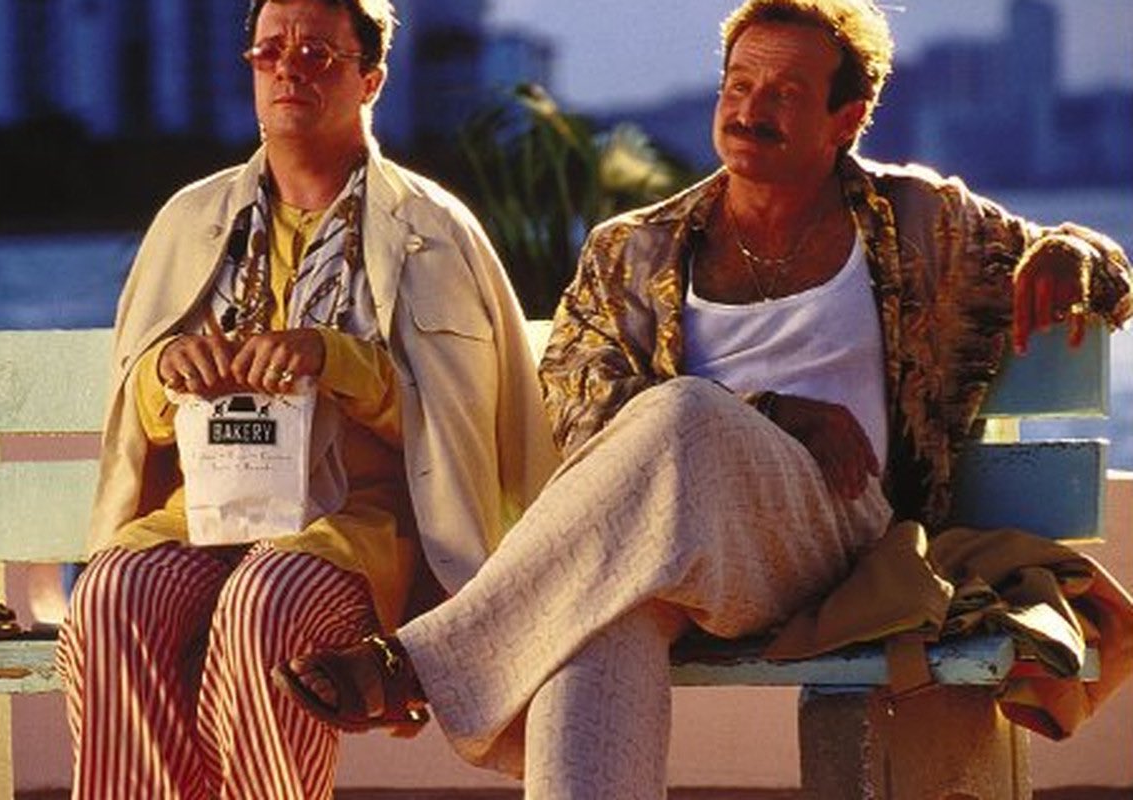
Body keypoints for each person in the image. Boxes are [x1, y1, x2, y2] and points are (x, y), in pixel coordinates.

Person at [276, 0, 1133, 797]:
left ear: (847, 118)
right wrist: (769, 409)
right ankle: (438, 666)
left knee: (685, 412)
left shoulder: (920, 219)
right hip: (673, 543)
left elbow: (1102, 266)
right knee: (599, 627)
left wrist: (1075, 257)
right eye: (740, 83)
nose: (751, 108)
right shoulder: (631, 249)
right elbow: (585, 427)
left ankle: (418, 664)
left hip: (837, 540)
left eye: (785, 92)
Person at [54, 0, 558, 796]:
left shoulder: (431, 229)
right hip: (205, 518)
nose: (289, 68)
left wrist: (335, 360)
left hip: (359, 535)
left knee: (266, 600)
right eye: (270, 51)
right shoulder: (191, 220)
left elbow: (459, 430)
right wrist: (168, 371)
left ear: (371, 80)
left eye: (318, 53)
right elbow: (138, 413)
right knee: (114, 594)